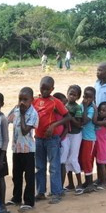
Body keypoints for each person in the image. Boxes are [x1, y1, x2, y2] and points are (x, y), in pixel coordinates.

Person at [33, 76, 70, 204]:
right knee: (39, 166)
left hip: (52, 139)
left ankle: (56, 192)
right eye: (42, 88)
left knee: (54, 167)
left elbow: (67, 117)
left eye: (47, 89)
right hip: (38, 138)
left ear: (52, 89)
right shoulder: (35, 101)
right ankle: (41, 192)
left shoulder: (55, 102)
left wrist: (54, 125)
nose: (44, 92)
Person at [7, 87, 39, 211]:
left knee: (29, 176)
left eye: (25, 99)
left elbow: (25, 131)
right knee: (16, 175)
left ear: (31, 100)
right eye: (20, 99)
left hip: (28, 150)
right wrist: (17, 109)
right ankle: (16, 197)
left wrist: (22, 115)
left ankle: (29, 201)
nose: (22, 102)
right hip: (16, 149)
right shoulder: (16, 109)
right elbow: (7, 119)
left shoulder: (33, 113)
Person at [62, 85, 84, 194]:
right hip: (67, 135)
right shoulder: (65, 105)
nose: (72, 96)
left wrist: (69, 117)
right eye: (70, 94)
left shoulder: (77, 108)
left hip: (75, 134)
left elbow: (79, 124)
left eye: (74, 95)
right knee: (66, 159)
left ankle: (79, 183)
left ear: (78, 97)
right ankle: (71, 183)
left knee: (73, 158)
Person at [78, 86, 98, 192]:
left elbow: (85, 120)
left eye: (90, 97)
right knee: (83, 159)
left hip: (89, 139)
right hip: (82, 137)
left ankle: (90, 183)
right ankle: (87, 181)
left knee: (87, 160)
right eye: (86, 97)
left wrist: (85, 107)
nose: (87, 99)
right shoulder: (81, 106)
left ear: (94, 98)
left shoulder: (91, 108)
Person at [94, 101, 106, 189]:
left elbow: (97, 123)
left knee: (102, 164)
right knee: (98, 163)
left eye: (104, 110)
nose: (101, 112)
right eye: (100, 110)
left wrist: (94, 115)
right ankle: (100, 179)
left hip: (103, 144)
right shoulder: (100, 118)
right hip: (97, 143)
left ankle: (105, 182)